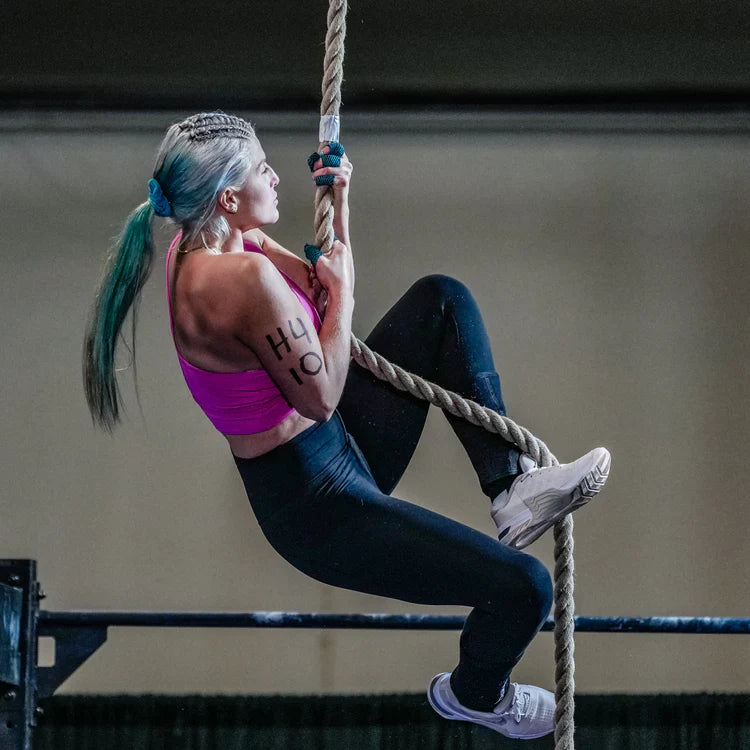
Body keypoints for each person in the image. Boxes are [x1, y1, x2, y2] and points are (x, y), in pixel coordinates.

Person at [83, 111, 611, 740]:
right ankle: (474, 695)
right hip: (317, 506)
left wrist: (341, 201)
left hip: (336, 450)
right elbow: (324, 393)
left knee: (441, 300)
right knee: (525, 588)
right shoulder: (233, 279)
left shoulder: (213, 241)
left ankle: (510, 489)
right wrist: (349, 291)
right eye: (260, 169)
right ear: (227, 196)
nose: (277, 177)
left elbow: (317, 284)